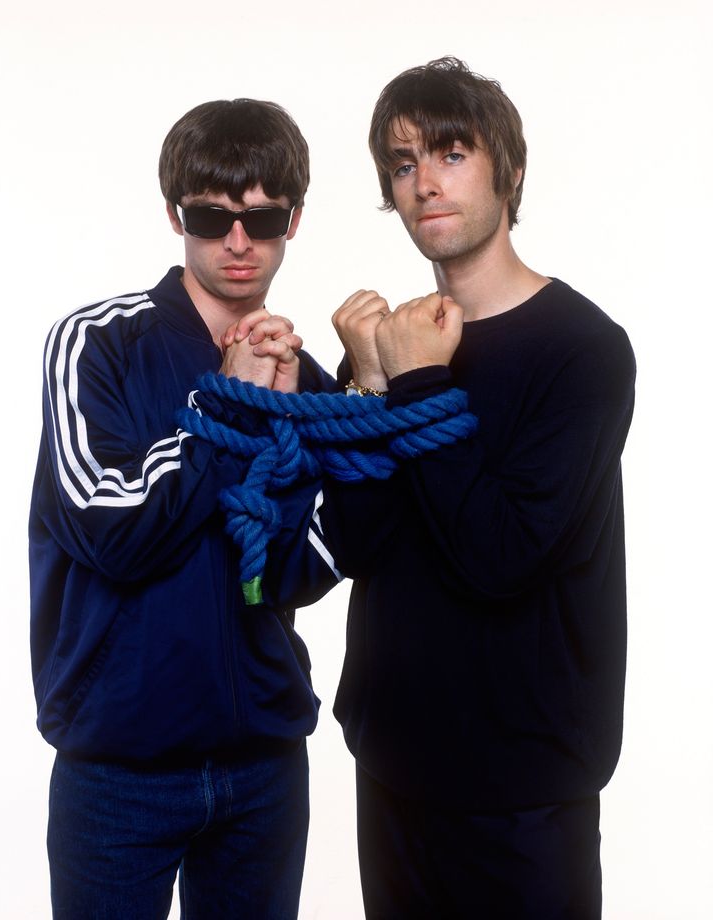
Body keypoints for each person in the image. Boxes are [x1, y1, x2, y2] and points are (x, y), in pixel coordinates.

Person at [323, 57, 636, 918]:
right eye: (402, 162)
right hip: (393, 763)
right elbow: (353, 543)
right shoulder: (391, 349)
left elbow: (499, 556)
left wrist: (419, 383)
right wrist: (368, 386)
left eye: (451, 153)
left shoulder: (584, 350)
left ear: (512, 169)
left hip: (525, 788)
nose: (424, 182)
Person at [29, 98, 339, 919]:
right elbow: (112, 528)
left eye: (262, 218)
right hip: (117, 772)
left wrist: (364, 399)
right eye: (212, 216)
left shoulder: (303, 381)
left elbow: (302, 567)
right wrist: (227, 409)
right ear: (175, 213)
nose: (239, 242)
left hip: (265, 766)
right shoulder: (98, 342)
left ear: (294, 221)